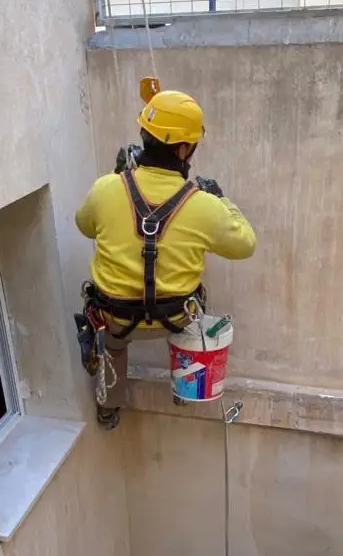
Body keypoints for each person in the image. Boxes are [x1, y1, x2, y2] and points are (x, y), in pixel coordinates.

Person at [74, 81, 256, 428]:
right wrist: (219, 198)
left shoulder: (106, 188)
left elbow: (84, 226)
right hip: (177, 321)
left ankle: (109, 406)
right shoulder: (203, 205)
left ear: (144, 133)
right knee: (197, 301)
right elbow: (245, 244)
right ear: (185, 149)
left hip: (117, 321)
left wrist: (117, 178)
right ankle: (186, 384)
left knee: (113, 343)